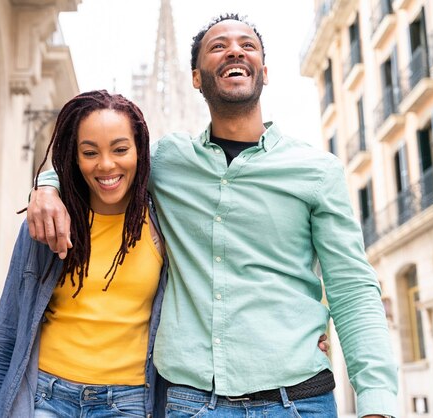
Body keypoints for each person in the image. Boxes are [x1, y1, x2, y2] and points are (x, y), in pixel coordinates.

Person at [27, 14, 398, 418]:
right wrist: (48, 186)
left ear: (264, 72)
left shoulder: (317, 170)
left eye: (247, 45)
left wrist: (376, 401)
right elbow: (105, 165)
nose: (235, 50)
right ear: (197, 78)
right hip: (191, 403)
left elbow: (353, 289)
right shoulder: (168, 161)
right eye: (218, 46)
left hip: (299, 401)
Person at [0, 90, 169, 418]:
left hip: (127, 401)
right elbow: (5, 336)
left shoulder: (161, 223)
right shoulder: (47, 223)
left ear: (140, 151)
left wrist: (45, 184)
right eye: (90, 152)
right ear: (74, 157)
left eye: (120, 149)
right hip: (45, 397)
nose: (106, 165)